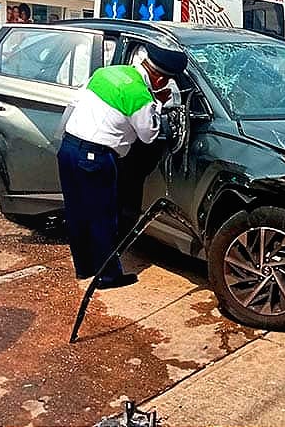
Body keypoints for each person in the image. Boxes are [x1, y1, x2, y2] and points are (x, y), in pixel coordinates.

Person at [57, 43, 188, 289]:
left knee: (77, 214)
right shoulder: (139, 95)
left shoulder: (108, 72)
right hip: (95, 157)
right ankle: (107, 277)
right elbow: (149, 135)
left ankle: (85, 268)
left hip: (68, 148)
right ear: (158, 78)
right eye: (166, 81)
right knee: (102, 219)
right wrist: (156, 104)